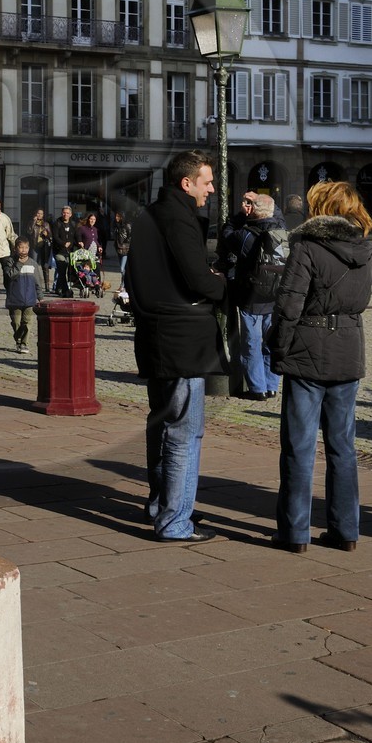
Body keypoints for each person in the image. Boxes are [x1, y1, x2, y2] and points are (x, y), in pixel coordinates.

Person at [268, 180, 372, 553]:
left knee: (299, 447)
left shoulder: (308, 247)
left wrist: (278, 350)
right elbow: (359, 300)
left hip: (308, 353)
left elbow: (288, 305)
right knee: (342, 447)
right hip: (349, 351)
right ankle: (345, 529)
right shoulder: (367, 250)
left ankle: (294, 532)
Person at [125, 151, 226, 544]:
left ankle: (162, 504)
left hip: (156, 336)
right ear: (187, 183)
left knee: (161, 425)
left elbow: (136, 277)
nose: (212, 189)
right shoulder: (180, 219)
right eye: (207, 182)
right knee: (185, 432)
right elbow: (197, 278)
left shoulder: (149, 215)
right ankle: (175, 521)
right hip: (182, 341)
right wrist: (224, 286)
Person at [221, 192, 287, 399]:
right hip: (275, 296)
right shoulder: (281, 231)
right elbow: (279, 217)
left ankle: (257, 388)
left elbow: (226, 233)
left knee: (251, 344)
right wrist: (267, 204)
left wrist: (240, 214)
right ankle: (271, 385)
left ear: (253, 211)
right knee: (270, 342)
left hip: (251, 297)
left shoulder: (246, 235)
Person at [5, 237, 41, 352]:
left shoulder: (33, 264)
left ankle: (24, 343)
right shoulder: (10, 261)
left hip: (30, 299)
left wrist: (40, 297)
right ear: (16, 249)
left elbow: (37, 282)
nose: (23, 250)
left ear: (29, 248)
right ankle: (18, 340)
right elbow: (10, 275)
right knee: (16, 322)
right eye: (21, 247)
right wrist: (19, 264)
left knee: (27, 323)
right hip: (15, 298)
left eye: (26, 247)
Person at [50, 205, 75, 297]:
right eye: (64, 212)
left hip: (69, 252)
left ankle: (57, 288)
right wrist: (63, 243)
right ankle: (66, 291)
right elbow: (55, 237)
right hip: (59, 251)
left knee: (68, 271)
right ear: (61, 213)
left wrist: (73, 243)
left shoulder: (73, 224)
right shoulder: (57, 223)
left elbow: (74, 237)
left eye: (67, 213)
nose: (65, 214)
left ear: (71, 214)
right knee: (61, 270)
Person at [28, 208, 54, 293]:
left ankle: (47, 286)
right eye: (38, 213)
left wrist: (47, 234)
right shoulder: (32, 223)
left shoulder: (46, 224)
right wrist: (33, 222)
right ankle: (34, 284)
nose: (39, 215)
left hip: (44, 246)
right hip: (34, 246)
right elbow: (29, 232)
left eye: (41, 214)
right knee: (34, 265)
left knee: (45, 266)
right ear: (35, 214)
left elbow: (50, 236)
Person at [113, 209, 133, 280]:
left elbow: (131, 236)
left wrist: (126, 243)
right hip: (118, 249)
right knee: (122, 269)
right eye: (116, 216)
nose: (116, 218)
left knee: (121, 268)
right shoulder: (116, 225)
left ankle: (123, 286)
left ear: (122, 217)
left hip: (125, 249)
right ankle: (123, 286)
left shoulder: (127, 225)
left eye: (118, 216)